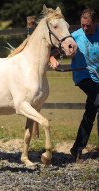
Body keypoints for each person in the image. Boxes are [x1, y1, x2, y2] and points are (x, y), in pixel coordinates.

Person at [51, 8, 99, 163]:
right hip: (83, 76)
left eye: (88, 26)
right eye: (83, 25)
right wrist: (52, 58)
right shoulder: (76, 36)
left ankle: (76, 149)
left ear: (95, 23)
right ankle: (78, 149)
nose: (85, 28)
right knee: (97, 100)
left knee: (92, 108)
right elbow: (54, 52)